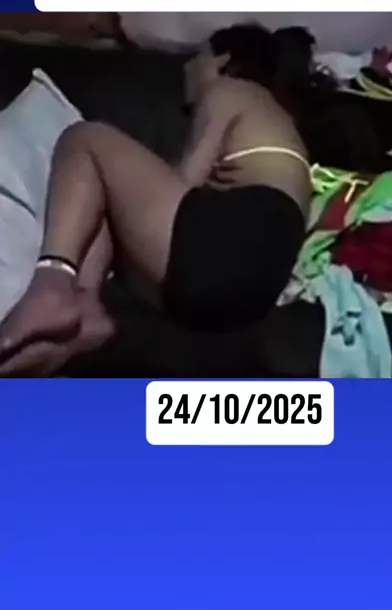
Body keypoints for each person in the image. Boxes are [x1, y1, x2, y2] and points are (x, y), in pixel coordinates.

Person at [0, 24, 311, 375]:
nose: (187, 69)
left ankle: (51, 285)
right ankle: (85, 305)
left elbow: (186, 178)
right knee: (105, 193)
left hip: (227, 248)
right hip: (248, 292)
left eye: (197, 57)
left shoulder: (230, 90)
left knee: (85, 139)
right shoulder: (279, 124)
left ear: (223, 60)